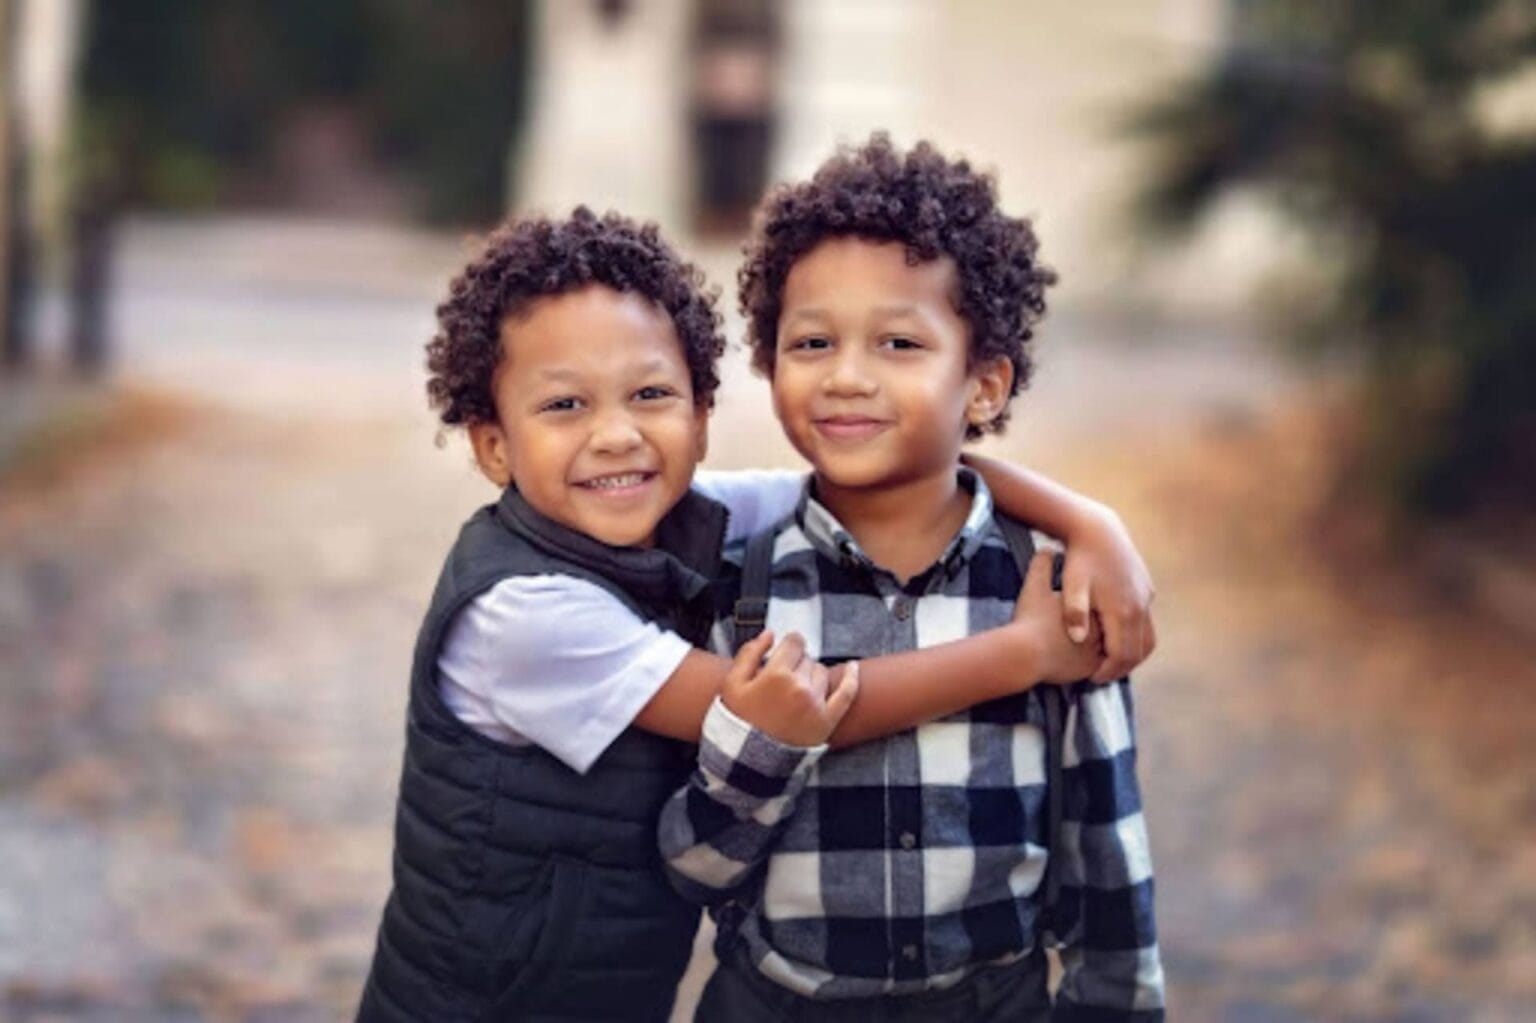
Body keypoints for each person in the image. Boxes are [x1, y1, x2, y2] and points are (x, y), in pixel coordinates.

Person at [356, 206, 1155, 1022]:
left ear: (701, 419)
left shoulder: (681, 508)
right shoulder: (520, 614)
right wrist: (1023, 653)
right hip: (476, 1001)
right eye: (564, 405)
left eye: (651, 394)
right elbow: (798, 705)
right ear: (493, 446)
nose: (617, 435)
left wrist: (1091, 523)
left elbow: (901, 469)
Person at [660, 136, 1165, 1021]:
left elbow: (1106, 853)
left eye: (898, 342)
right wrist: (765, 747)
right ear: (771, 365)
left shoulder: (1052, 591)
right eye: (812, 341)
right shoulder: (739, 591)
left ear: (984, 386)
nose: (846, 376)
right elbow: (693, 866)